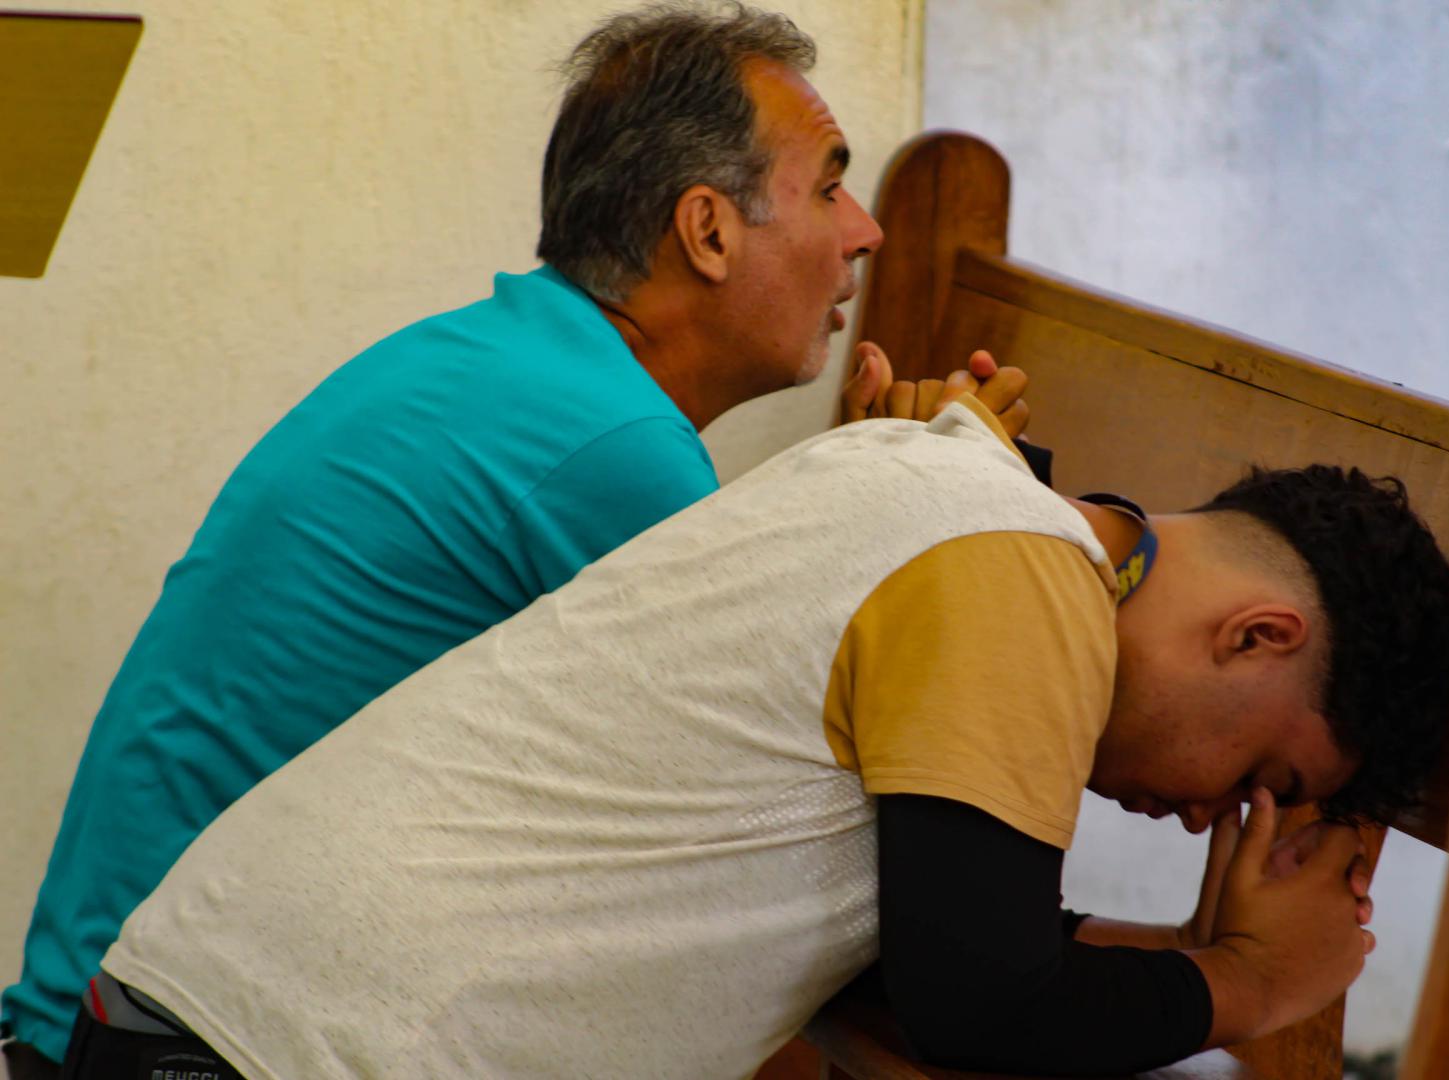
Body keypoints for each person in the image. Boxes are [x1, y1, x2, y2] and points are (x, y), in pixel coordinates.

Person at [1, 6, 1028, 1075]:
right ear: (709, 232)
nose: (864, 231)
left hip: (108, 1020)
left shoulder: (521, 364)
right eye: (827, 188)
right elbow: (779, 826)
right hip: (180, 1045)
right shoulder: (610, 447)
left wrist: (879, 492)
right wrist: (926, 497)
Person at [60, 392, 1449, 1079]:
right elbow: (981, 1002)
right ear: (1256, 635)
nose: (1217, 819)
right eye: (1263, 778)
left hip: (200, 1019)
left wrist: (1173, 953)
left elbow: (922, 941)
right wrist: (1244, 989)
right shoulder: (1028, 583)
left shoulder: (948, 480)